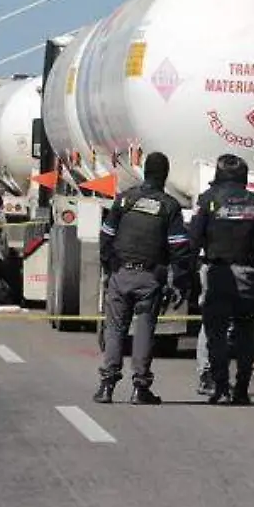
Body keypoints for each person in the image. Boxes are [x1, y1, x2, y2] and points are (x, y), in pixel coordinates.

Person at [92, 152, 187, 405]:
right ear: (165, 175)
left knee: (115, 330)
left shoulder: (125, 200)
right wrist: (179, 281)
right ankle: (140, 388)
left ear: (144, 172)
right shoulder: (169, 206)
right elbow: (179, 247)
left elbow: (106, 235)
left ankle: (106, 386)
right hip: (149, 278)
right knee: (144, 331)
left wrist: (109, 267)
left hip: (121, 275)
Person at [189, 154, 254, 404]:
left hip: (217, 273)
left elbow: (193, 240)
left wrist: (188, 275)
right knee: (246, 333)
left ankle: (221, 386)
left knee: (215, 333)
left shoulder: (208, 200)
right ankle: (242, 387)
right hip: (247, 274)